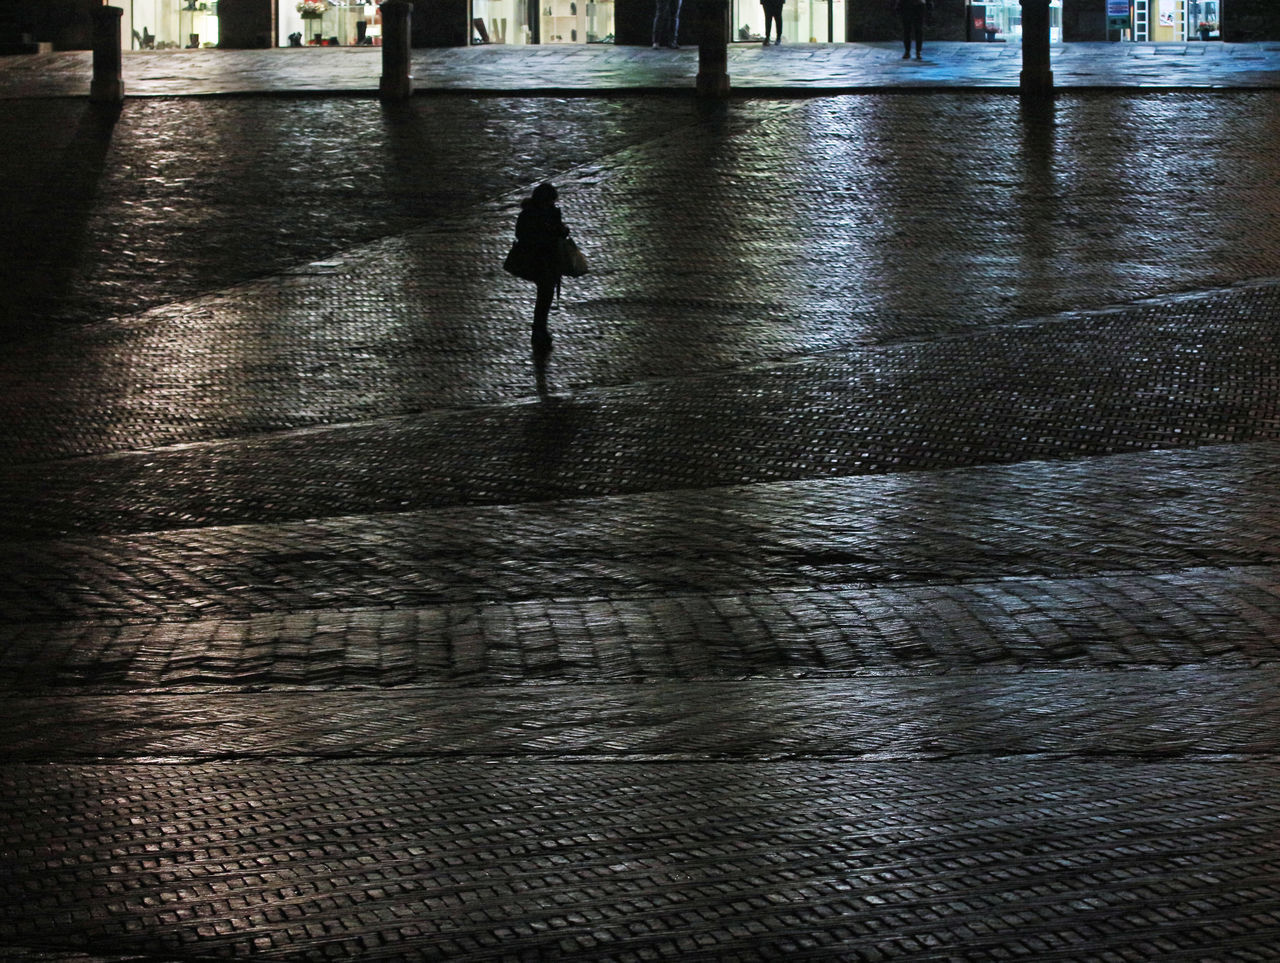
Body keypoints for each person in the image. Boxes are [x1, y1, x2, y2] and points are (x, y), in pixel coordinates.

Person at [514, 182, 570, 350]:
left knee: (545, 294)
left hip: (548, 259)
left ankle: (540, 328)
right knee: (545, 294)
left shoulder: (547, 212)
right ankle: (539, 329)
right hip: (539, 259)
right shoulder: (532, 215)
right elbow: (524, 235)